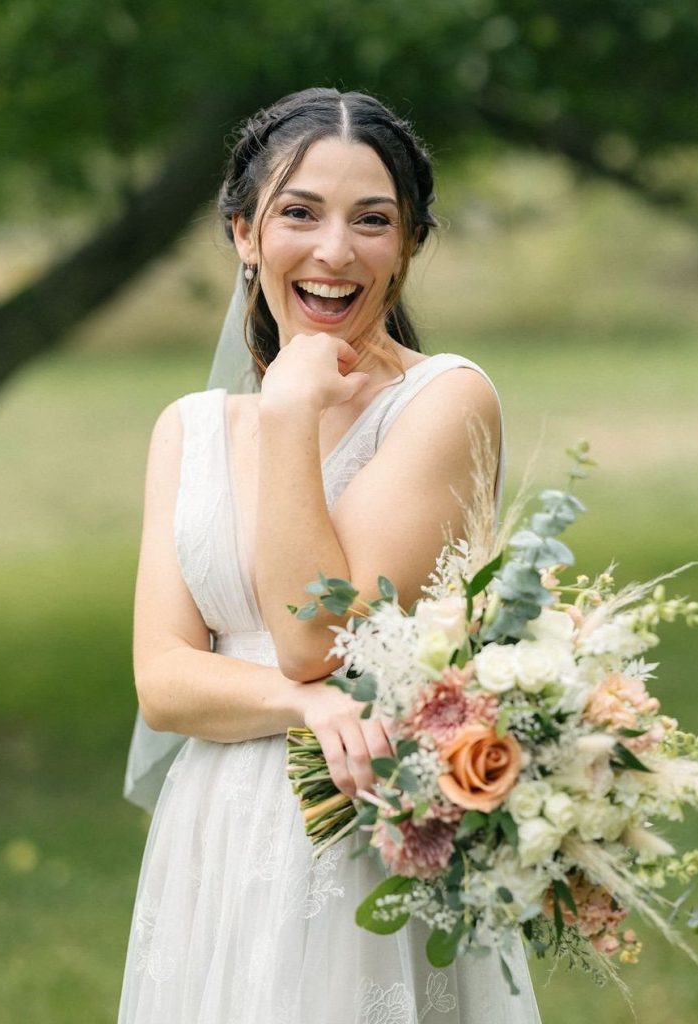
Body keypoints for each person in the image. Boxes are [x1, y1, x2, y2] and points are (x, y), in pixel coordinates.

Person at [118, 87, 542, 1023]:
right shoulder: (185, 429)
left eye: (373, 221)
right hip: (213, 838)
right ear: (242, 232)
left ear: (411, 244)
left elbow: (316, 633)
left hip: (358, 837)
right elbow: (164, 682)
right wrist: (296, 703)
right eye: (299, 213)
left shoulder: (445, 401)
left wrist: (288, 412)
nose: (335, 251)